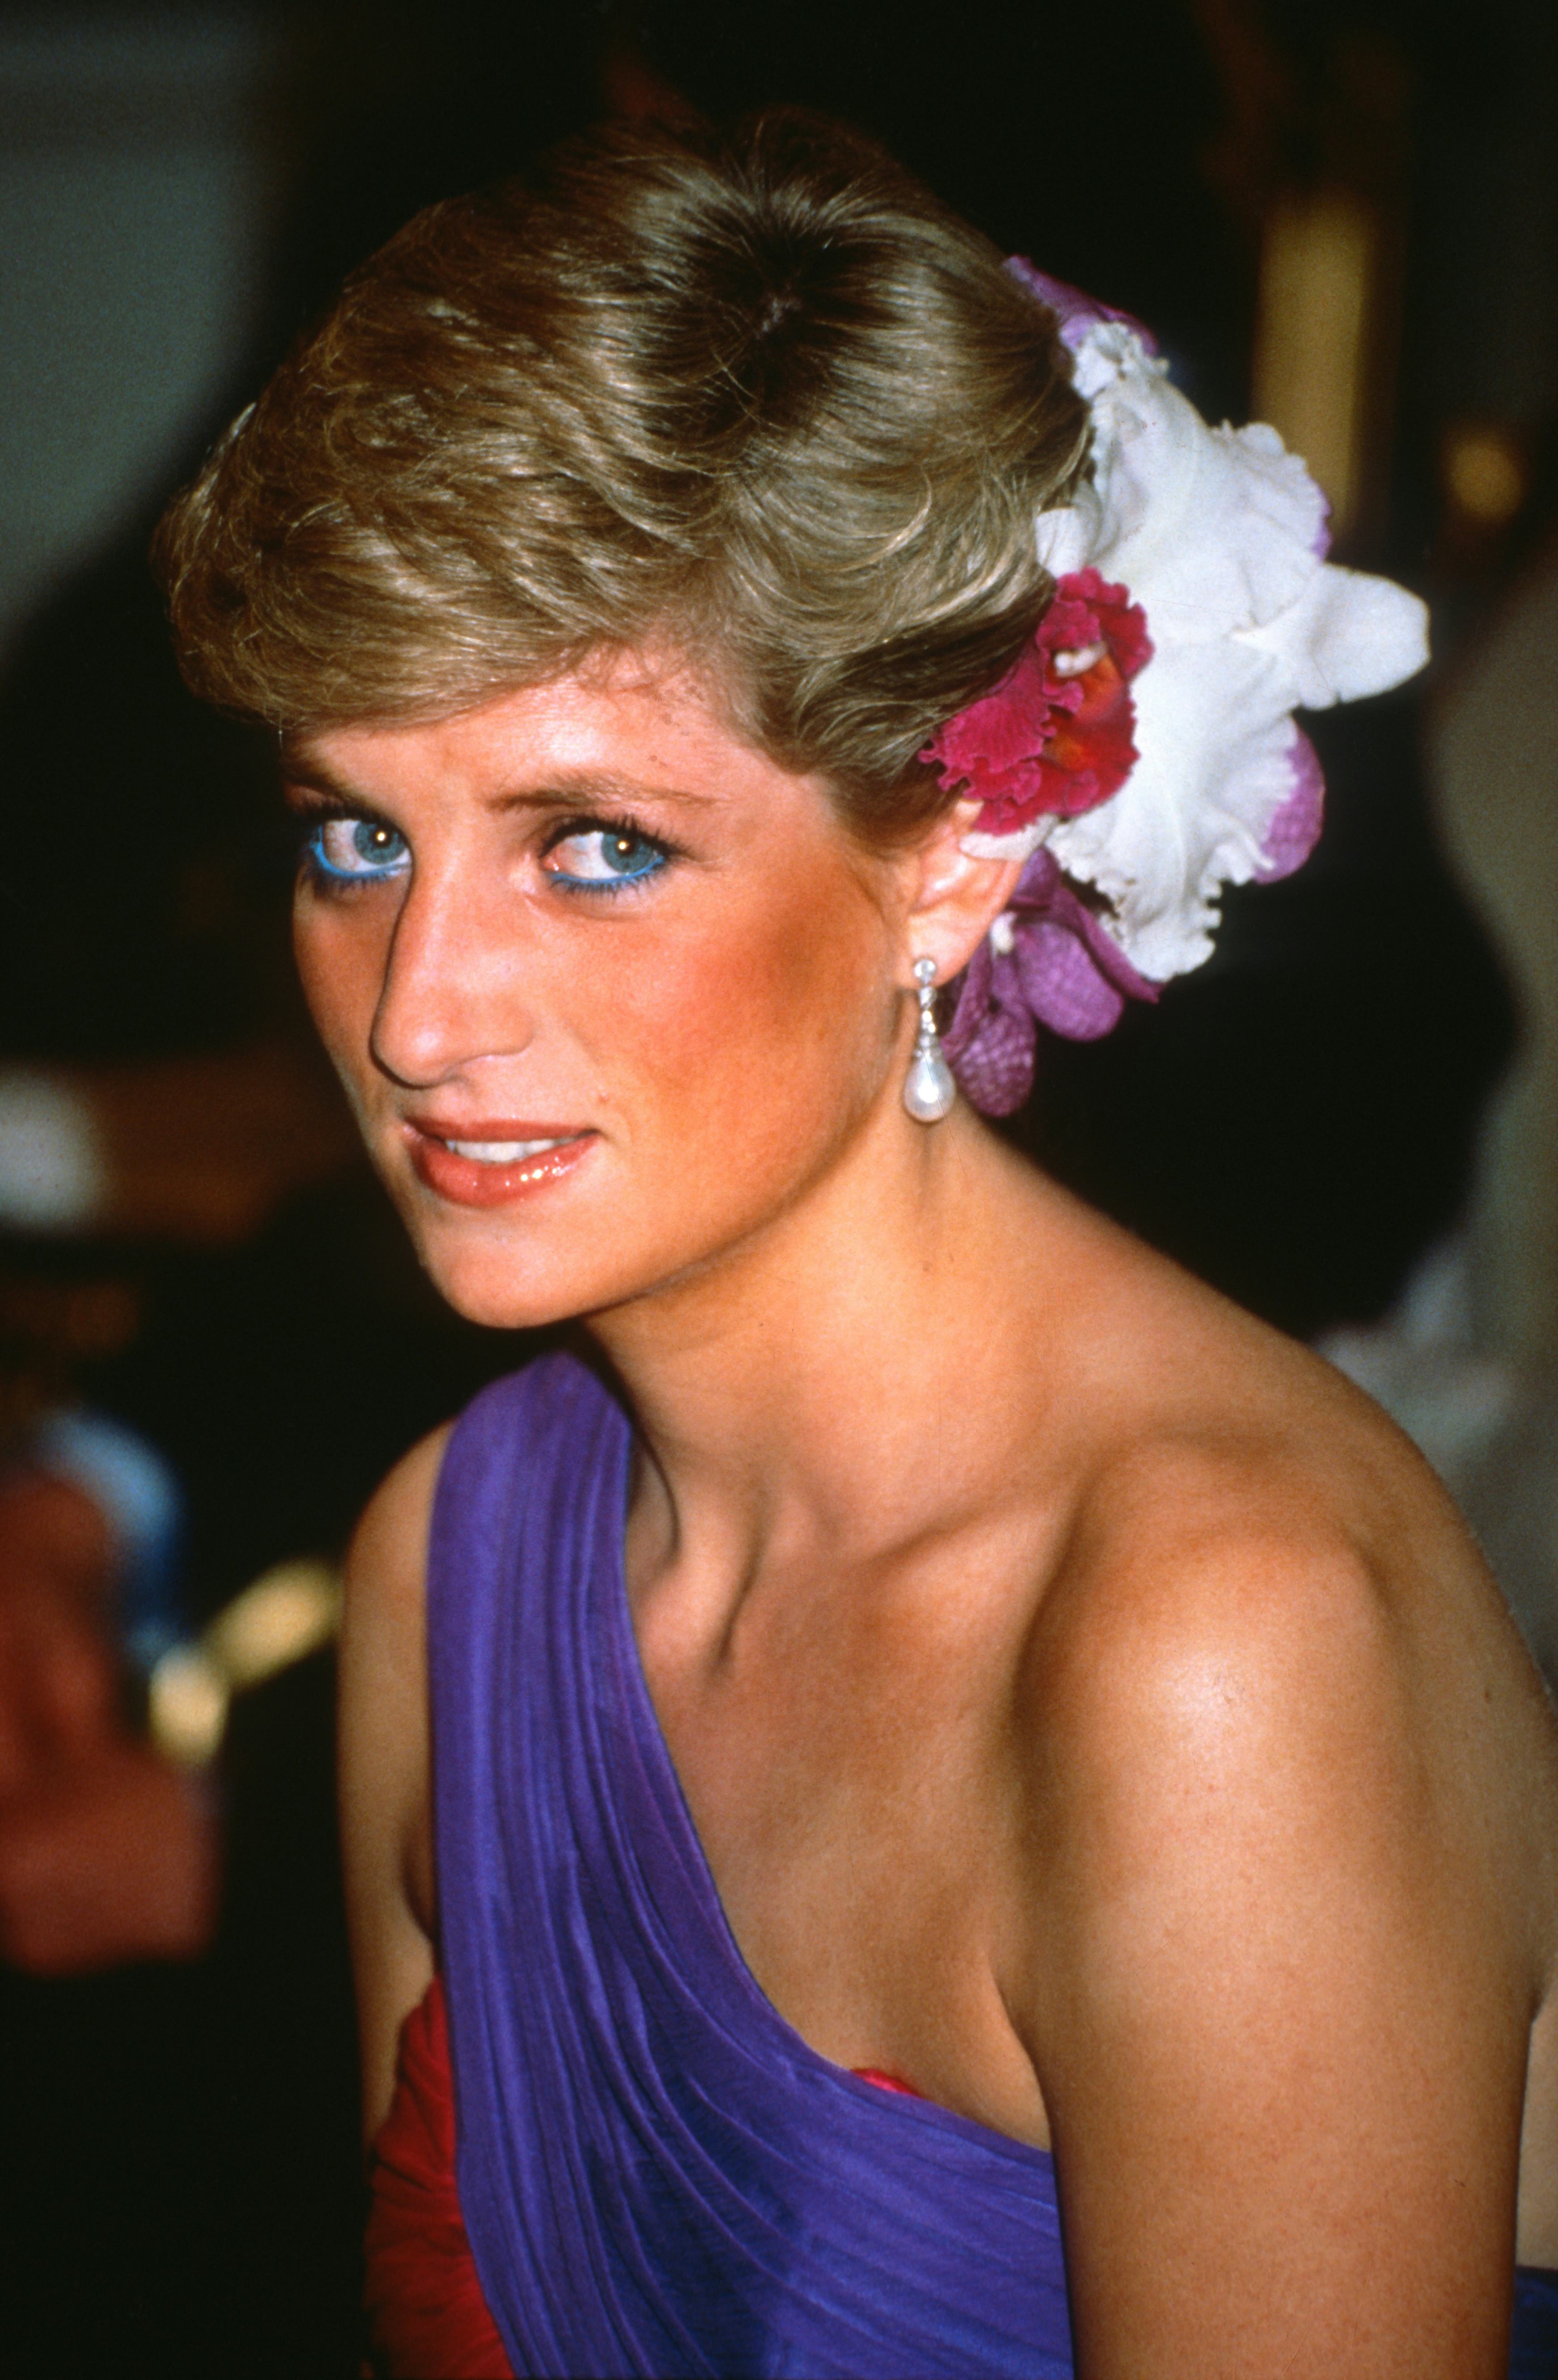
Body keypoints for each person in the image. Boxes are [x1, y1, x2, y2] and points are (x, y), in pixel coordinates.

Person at [154, 111, 1558, 2379]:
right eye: (350, 836)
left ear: (949, 854)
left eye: (593, 843)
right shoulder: (451, 1557)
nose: (415, 1012)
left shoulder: (1212, 1644)